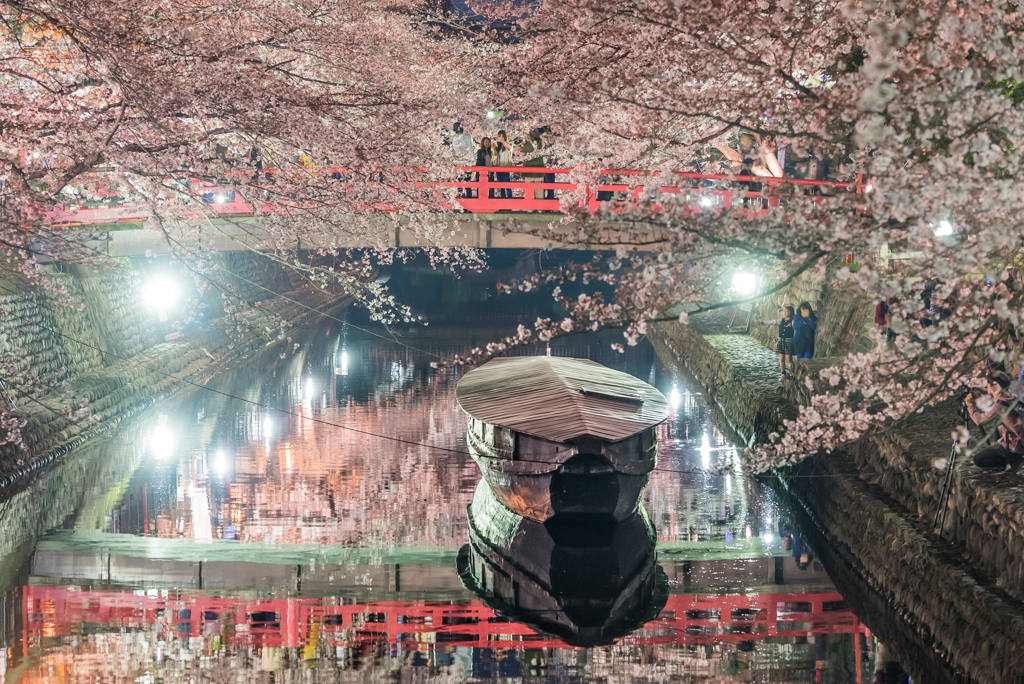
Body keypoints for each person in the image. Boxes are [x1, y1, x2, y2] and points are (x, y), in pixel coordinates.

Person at [965, 373, 1024, 471]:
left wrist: (970, 406)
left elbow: (979, 420)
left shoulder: (999, 405)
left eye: (988, 384)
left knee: (978, 459)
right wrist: (981, 390)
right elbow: (994, 399)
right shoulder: (1008, 395)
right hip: (1019, 440)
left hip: (1013, 445)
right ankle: (1007, 459)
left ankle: (1013, 459)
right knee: (996, 423)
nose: (986, 385)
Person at [518, 129, 546, 203]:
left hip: (529, 171)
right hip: (540, 170)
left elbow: (521, 151)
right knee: (539, 191)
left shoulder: (528, 145)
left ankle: (530, 208)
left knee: (529, 190)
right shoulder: (543, 144)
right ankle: (540, 208)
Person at [451, 122, 474, 199]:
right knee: (468, 184)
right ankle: (469, 199)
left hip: (459, 164)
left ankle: (461, 199)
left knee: (460, 184)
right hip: (468, 163)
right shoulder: (468, 136)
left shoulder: (454, 139)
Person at [493, 130, 513, 200]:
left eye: (502, 136)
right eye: (499, 136)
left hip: (506, 167)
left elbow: (511, 148)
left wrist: (503, 142)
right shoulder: (498, 146)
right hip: (498, 167)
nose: (501, 138)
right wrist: (494, 148)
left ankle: (510, 199)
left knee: (507, 184)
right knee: (501, 185)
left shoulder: (507, 145)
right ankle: (503, 200)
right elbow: (494, 154)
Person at [776, 306, 796, 377]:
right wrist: (762, 322)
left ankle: (793, 373)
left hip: (788, 342)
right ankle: (783, 374)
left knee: (789, 360)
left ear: (790, 312)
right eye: (784, 311)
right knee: (782, 359)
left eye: (786, 311)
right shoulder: (781, 320)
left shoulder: (793, 321)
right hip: (781, 342)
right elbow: (773, 321)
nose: (785, 312)